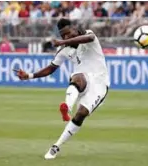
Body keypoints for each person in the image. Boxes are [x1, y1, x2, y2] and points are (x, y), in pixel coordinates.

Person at [13, 18, 110, 159]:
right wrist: (29, 75)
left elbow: (89, 38)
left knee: (81, 114)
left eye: (67, 33)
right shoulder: (64, 50)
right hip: (83, 79)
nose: (66, 37)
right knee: (77, 77)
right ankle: (67, 108)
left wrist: (63, 42)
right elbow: (51, 68)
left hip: (100, 84)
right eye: (63, 36)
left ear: (74, 29)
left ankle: (56, 146)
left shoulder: (88, 34)